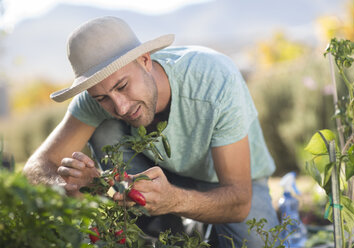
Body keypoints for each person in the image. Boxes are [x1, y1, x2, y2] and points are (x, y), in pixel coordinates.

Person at [23, 16, 279, 247]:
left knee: (257, 242)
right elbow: (37, 166)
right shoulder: (98, 97)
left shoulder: (214, 79)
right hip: (157, 182)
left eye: (123, 86)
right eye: (102, 98)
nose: (119, 106)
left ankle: (193, 225)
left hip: (229, 184)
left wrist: (175, 200)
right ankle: (163, 230)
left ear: (145, 60)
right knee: (105, 127)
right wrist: (83, 184)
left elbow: (239, 200)